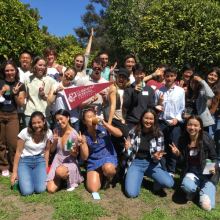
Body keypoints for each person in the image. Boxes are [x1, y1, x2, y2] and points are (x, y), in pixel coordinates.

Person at [171, 115, 219, 211]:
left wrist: (214, 168)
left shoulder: (206, 138)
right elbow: (182, 162)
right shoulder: (182, 139)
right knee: (187, 187)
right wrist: (178, 154)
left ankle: (205, 188)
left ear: (200, 127)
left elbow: (214, 158)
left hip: (207, 172)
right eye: (190, 124)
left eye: (196, 125)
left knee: (207, 207)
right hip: (191, 171)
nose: (192, 127)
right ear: (186, 126)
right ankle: (194, 190)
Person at [124, 109, 174, 198]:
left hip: (151, 163)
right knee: (132, 194)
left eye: (151, 119)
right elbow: (128, 155)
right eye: (146, 118)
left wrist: (156, 157)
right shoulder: (134, 131)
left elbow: (157, 156)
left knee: (169, 183)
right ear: (142, 118)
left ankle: (156, 180)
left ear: (155, 120)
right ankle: (138, 177)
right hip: (136, 163)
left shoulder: (158, 134)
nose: (148, 121)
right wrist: (127, 149)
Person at [78, 109, 122, 192]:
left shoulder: (103, 127)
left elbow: (119, 134)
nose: (93, 118)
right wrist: (82, 144)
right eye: (90, 117)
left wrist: (105, 123)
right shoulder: (84, 136)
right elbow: (85, 157)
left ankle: (108, 178)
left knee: (109, 169)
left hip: (108, 156)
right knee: (92, 189)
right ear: (84, 121)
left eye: (94, 116)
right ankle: (101, 172)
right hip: (94, 160)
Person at [11, 111, 52, 195]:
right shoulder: (24, 132)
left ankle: (31, 176)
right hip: (25, 161)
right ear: (31, 123)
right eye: (34, 123)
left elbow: (47, 151)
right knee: (27, 192)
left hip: (40, 161)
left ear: (44, 121)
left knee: (41, 189)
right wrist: (14, 172)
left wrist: (46, 168)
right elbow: (18, 152)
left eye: (39, 122)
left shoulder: (48, 133)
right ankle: (25, 176)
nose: (36, 125)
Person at [154, 66, 185, 178]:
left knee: (173, 146)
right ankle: (163, 169)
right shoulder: (158, 91)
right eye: (167, 76)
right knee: (161, 146)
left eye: (172, 76)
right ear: (164, 76)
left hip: (174, 123)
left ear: (175, 77)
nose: (169, 78)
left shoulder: (180, 91)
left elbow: (182, 108)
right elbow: (155, 107)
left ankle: (171, 170)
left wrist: (177, 119)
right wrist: (159, 102)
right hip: (161, 122)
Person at [46, 110, 83, 193]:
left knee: (59, 171)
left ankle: (68, 179)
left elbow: (76, 154)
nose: (59, 122)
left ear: (68, 117)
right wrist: (55, 142)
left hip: (70, 161)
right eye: (57, 120)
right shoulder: (56, 131)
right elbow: (52, 150)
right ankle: (60, 178)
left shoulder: (74, 134)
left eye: (61, 119)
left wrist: (70, 150)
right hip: (57, 159)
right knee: (50, 189)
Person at [0, 60, 25, 177]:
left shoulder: (20, 85)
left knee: (13, 143)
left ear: (16, 71)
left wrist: (15, 93)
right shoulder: (0, 82)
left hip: (13, 115)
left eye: (12, 70)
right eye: (7, 70)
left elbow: (21, 104)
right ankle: (4, 166)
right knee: (1, 143)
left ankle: (14, 165)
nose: (10, 72)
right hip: (0, 114)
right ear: (3, 71)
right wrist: (2, 91)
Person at [123, 63, 163, 129]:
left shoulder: (149, 89)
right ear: (133, 75)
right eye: (137, 73)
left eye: (141, 73)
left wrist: (157, 106)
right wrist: (135, 92)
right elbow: (126, 105)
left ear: (144, 74)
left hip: (146, 123)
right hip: (132, 122)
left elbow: (150, 106)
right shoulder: (128, 89)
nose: (139, 76)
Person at [24, 56, 55, 128]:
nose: (42, 67)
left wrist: (43, 94)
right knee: (29, 137)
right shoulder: (27, 80)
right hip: (30, 113)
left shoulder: (50, 81)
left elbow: (51, 100)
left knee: (45, 137)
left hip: (44, 114)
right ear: (34, 65)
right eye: (40, 65)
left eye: (44, 65)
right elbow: (27, 96)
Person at [47, 67, 80, 131]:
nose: (68, 77)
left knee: (74, 140)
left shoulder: (75, 89)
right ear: (64, 72)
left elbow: (78, 105)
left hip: (73, 120)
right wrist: (55, 92)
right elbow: (49, 103)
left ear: (73, 79)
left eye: (71, 77)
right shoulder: (55, 86)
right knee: (57, 140)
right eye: (67, 74)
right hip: (59, 121)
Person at [108, 68, 130, 161]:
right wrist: (108, 124)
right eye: (119, 76)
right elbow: (112, 106)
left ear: (127, 80)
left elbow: (140, 79)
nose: (121, 79)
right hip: (116, 119)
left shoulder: (128, 89)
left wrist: (153, 75)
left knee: (119, 144)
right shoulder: (113, 88)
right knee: (128, 137)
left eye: (124, 77)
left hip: (125, 120)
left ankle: (121, 167)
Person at [204, 68, 220, 163]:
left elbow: (213, 110)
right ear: (207, 75)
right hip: (199, 117)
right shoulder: (200, 86)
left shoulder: (217, 90)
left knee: (209, 139)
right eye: (211, 74)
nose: (212, 77)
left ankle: (213, 162)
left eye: (215, 76)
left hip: (210, 117)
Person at [17, 51, 33, 129]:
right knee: (14, 129)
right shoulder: (15, 71)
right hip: (16, 105)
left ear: (31, 61)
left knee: (27, 129)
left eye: (27, 58)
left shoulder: (34, 73)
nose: (25, 59)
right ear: (20, 59)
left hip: (28, 107)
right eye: (23, 58)